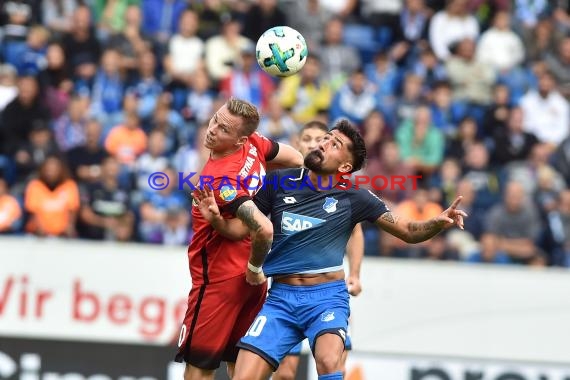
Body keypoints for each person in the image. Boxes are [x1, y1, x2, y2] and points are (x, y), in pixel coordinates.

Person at [196, 119, 466, 380]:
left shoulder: (355, 196)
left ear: (346, 166)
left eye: (334, 143)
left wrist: (436, 223)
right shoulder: (278, 182)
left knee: (328, 360)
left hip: (325, 298)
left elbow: (408, 231)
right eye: (326, 138)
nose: (323, 143)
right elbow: (243, 231)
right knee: (245, 376)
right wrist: (218, 220)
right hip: (281, 298)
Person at [174, 97, 303, 380]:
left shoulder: (220, 180)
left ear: (238, 139)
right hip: (251, 282)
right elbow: (297, 159)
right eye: (215, 120)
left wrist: (254, 265)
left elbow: (263, 229)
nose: (212, 129)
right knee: (241, 369)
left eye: (223, 129)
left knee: (199, 368)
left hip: (218, 282)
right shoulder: (254, 143)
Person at [273, 120, 363, 380]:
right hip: (287, 291)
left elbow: (355, 232)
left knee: (333, 365)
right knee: (284, 374)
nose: (314, 143)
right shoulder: (281, 182)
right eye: (307, 138)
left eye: (320, 138)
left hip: (326, 293)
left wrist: (355, 274)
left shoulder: (340, 188)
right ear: (298, 143)